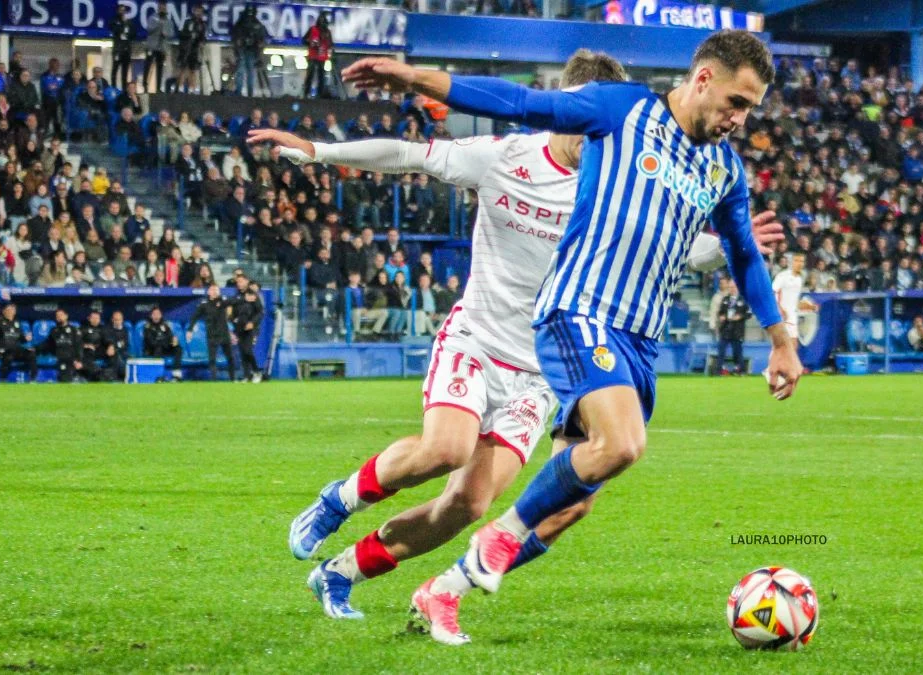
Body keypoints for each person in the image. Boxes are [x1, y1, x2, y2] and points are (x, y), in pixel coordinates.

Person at [251, 47, 784, 635]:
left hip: (543, 371)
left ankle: (355, 572)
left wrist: (745, 264)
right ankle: (341, 499)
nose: (591, 138)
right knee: (447, 450)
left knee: (475, 505)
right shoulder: (511, 155)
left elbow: (681, 245)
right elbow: (418, 149)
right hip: (485, 338)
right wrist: (322, 149)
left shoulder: (626, 176)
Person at [187, 284, 236, 381]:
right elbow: (195, 316)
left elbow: (233, 301)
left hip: (224, 334)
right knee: (212, 359)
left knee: (230, 357)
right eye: (212, 290)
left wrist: (221, 300)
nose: (214, 291)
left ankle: (233, 379)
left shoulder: (223, 300)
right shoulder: (204, 303)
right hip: (212, 335)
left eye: (216, 290)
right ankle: (214, 380)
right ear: (208, 292)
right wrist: (190, 329)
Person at [771, 252, 817, 345]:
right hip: (782, 318)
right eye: (797, 261)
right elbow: (772, 293)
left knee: (793, 346)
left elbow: (794, 301)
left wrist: (808, 306)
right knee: (784, 347)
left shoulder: (799, 279)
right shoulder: (782, 276)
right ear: (791, 262)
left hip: (793, 317)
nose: (799, 263)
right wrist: (779, 309)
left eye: (802, 261)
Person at [231, 5, 269, 97]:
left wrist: (259, 49)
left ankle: (248, 93)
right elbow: (235, 38)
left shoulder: (256, 25)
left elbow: (262, 39)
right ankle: (240, 92)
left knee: (249, 72)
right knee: (243, 71)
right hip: (243, 50)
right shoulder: (241, 24)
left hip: (251, 51)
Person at [0, 303, 37, 383]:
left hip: (16, 350)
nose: (10, 312)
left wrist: (26, 338)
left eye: (12, 310)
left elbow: (20, 339)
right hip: (3, 351)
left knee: (31, 353)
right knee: (9, 356)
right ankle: (2, 378)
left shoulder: (17, 323)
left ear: (15, 312)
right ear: (4, 311)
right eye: (8, 310)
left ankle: (33, 379)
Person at [715, 278, 750, 374]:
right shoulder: (725, 299)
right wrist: (721, 316)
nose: (732, 289)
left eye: (733, 287)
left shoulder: (743, 300)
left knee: (737, 352)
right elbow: (720, 312)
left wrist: (740, 317)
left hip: (737, 330)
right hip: (725, 329)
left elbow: (748, 314)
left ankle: (740, 370)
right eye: (730, 287)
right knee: (721, 350)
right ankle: (718, 371)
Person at [233, 285, 264, 383]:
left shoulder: (253, 296)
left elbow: (260, 312)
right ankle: (246, 376)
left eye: (241, 281)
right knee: (242, 353)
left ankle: (257, 371)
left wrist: (252, 323)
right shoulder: (237, 296)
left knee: (248, 351)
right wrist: (233, 319)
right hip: (239, 328)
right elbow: (234, 311)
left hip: (250, 329)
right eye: (238, 281)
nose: (239, 283)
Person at [43, 309, 83, 383]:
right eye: (57, 316)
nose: (59, 317)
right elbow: (48, 344)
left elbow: (79, 346)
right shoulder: (54, 331)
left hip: (72, 359)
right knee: (63, 377)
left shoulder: (74, 330)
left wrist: (79, 360)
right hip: (60, 358)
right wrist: (35, 348)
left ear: (66, 316)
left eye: (61, 315)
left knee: (67, 376)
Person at [143, 306, 183, 379]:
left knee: (178, 348)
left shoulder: (165, 325)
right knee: (158, 348)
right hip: (152, 350)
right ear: (151, 316)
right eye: (154, 314)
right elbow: (152, 342)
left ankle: (176, 374)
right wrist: (165, 341)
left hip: (165, 347)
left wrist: (174, 341)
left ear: (161, 315)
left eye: (158, 314)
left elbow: (170, 337)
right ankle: (159, 375)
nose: (156, 316)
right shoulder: (147, 327)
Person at [144, 2, 175, 93]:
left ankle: (158, 88)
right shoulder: (152, 18)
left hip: (161, 48)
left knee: (160, 67)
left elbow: (171, 33)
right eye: (160, 8)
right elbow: (149, 29)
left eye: (164, 8)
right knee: (148, 66)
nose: (162, 9)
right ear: (158, 8)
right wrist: (158, 25)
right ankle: (145, 85)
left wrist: (166, 33)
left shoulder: (168, 21)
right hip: (152, 46)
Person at [176, 4, 208, 93]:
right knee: (182, 68)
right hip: (186, 48)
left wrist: (202, 42)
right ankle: (179, 88)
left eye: (201, 12)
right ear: (194, 11)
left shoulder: (202, 24)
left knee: (192, 69)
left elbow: (203, 37)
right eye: (197, 11)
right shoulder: (188, 22)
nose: (199, 13)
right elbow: (182, 34)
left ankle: (192, 89)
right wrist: (189, 35)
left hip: (195, 49)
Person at [302, 14, 333, 99]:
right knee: (310, 74)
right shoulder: (313, 29)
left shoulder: (327, 32)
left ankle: (320, 94)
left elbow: (331, 44)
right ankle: (306, 92)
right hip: (313, 55)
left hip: (322, 56)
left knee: (321, 75)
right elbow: (304, 40)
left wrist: (326, 45)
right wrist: (311, 44)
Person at [109, 4, 135, 91]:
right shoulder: (114, 21)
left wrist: (127, 31)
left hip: (126, 50)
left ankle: (124, 90)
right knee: (115, 70)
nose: (122, 12)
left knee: (125, 72)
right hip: (117, 49)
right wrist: (122, 25)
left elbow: (133, 34)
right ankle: (113, 88)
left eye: (124, 10)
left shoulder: (129, 22)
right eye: (121, 10)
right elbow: (114, 30)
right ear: (118, 11)